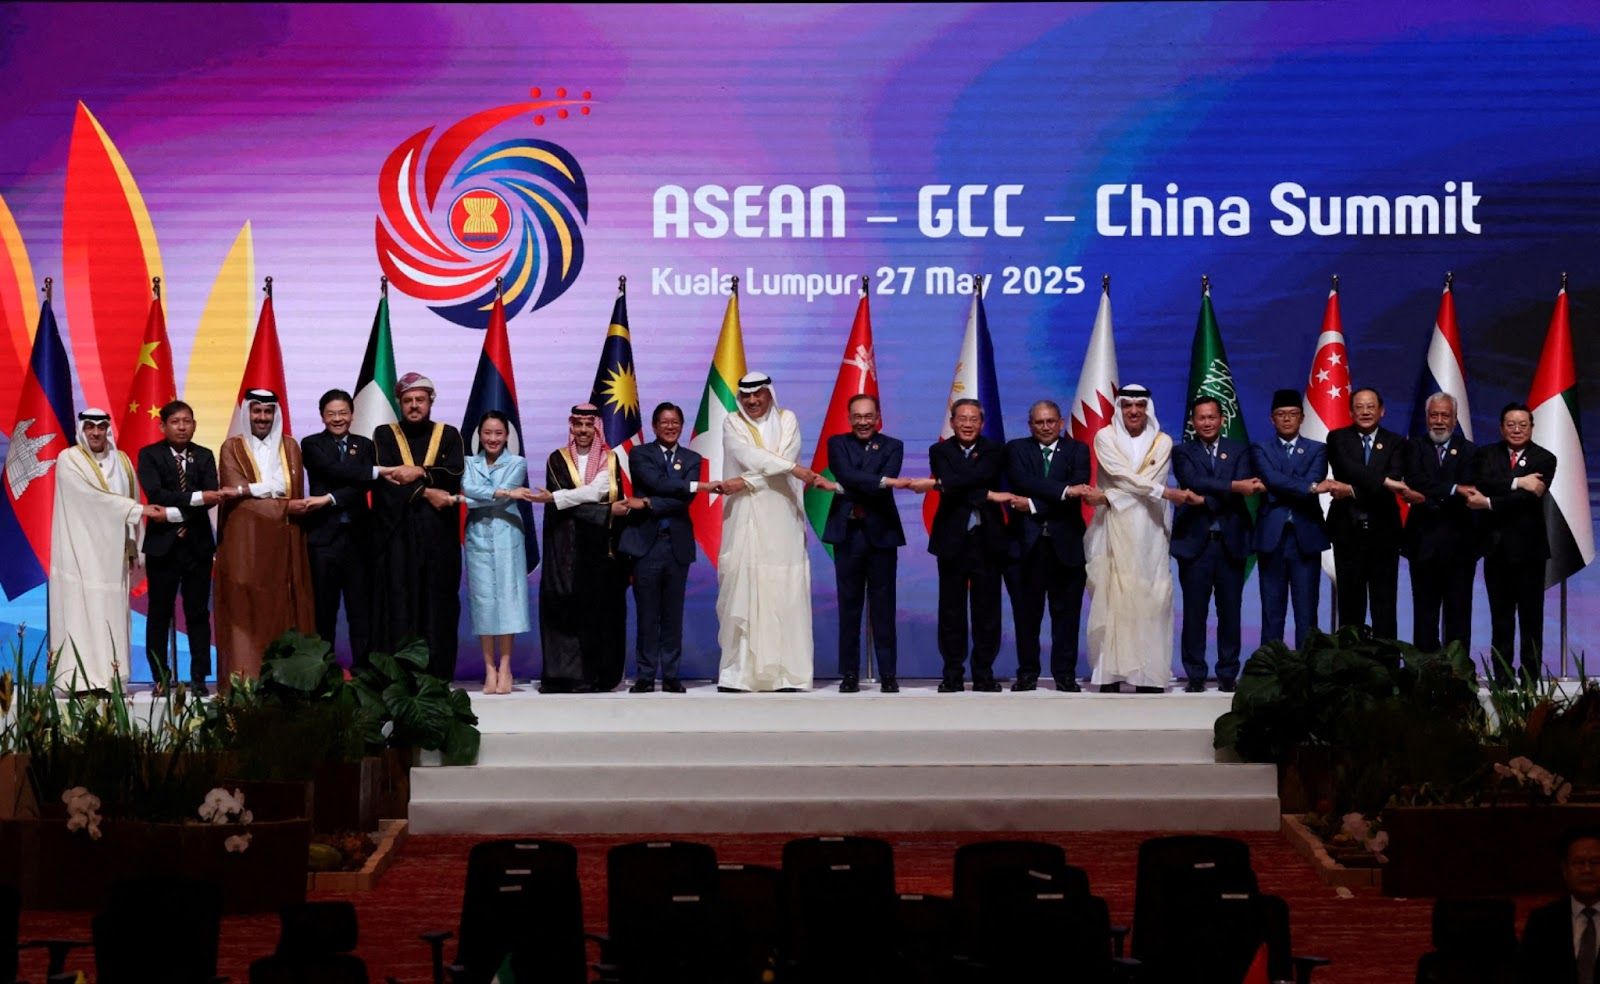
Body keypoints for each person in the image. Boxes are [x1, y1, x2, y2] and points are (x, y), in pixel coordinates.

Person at [716, 372, 832, 692]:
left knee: (785, 590)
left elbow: (781, 458)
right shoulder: (732, 423)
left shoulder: (788, 419)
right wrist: (794, 470)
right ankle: (739, 675)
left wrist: (750, 480)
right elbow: (749, 456)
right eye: (746, 397)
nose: (752, 402)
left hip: (782, 517)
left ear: (770, 394)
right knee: (744, 585)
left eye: (758, 395)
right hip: (745, 517)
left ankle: (788, 675)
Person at [1084, 385, 1191, 693]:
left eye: (1139, 405)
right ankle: (1110, 674)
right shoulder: (1105, 437)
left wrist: (1110, 496)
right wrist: (1164, 492)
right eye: (1127, 405)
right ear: (1120, 407)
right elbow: (1120, 475)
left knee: (1152, 597)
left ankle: (1149, 675)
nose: (1133, 411)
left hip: (1151, 530)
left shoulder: (1163, 441)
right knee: (1113, 595)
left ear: (1147, 408)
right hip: (1114, 526)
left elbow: (1129, 486)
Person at [48, 409, 164, 692]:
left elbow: (131, 498)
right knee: (79, 612)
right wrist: (137, 510)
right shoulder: (69, 459)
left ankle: (110, 679)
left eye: (101, 427)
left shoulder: (122, 460)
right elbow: (90, 499)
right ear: (82, 430)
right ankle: (77, 681)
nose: (96, 433)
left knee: (111, 614)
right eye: (90, 427)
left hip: (112, 557)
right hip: (79, 552)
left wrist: (137, 547)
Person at [214, 389, 318, 684]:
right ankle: (245, 683)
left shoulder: (290, 446)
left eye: (268, 412)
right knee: (245, 613)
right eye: (256, 411)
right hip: (245, 546)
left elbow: (286, 489)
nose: (262, 418)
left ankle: (285, 682)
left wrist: (253, 490)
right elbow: (239, 498)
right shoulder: (231, 448)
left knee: (284, 609)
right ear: (247, 413)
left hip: (284, 545)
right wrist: (278, 500)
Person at [916, 398, 1017, 693]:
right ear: (952, 422)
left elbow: (962, 481)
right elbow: (950, 480)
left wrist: (950, 485)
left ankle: (984, 673)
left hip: (988, 540)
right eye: (962, 418)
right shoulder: (939, 450)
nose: (968, 424)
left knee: (988, 610)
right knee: (951, 610)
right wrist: (986, 494)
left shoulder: (997, 450)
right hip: (952, 540)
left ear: (982, 423)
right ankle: (952, 674)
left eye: (974, 419)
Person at [371, 373, 466, 679]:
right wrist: (427, 489)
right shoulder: (384, 434)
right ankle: (401, 675)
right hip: (398, 534)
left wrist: (417, 471)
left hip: (439, 536)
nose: (414, 406)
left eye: (420, 400)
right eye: (408, 400)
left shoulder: (449, 434)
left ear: (430, 402)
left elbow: (454, 475)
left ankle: (438, 675)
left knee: (439, 604)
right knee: (400, 602)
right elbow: (385, 482)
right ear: (399, 403)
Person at [1170, 396, 1262, 692]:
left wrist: (1205, 499)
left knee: (1230, 611)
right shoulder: (1182, 451)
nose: (1207, 422)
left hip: (1230, 541)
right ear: (1193, 422)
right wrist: (1231, 487)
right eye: (1201, 418)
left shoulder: (1239, 449)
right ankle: (1195, 674)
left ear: (1222, 420)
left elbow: (1239, 487)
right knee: (1194, 612)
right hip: (1195, 544)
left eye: (1212, 417)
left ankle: (1227, 674)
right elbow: (1192, 480)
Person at [1002, 399, 1095, 692]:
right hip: (1025, 547)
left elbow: (1077, 488)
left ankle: (1064, 674)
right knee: (1026, 615)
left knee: (1066, 615)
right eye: (1039, 422)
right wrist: (1065, 491)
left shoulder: (1078, 450)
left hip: (1066, 547)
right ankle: (1027, 673)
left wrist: (1030, 504)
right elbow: (1020, 479)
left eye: (1051, 421)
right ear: (1031, 425)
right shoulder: (1016, 449)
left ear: (1061, 423)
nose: (1045, 427)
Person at [137, 400, 228, 695]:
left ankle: (199, 677)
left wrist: (174, 512)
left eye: (187, 421)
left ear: (194, 425)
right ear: (163, 426)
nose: (182, 426)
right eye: (175, 421)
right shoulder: (149, 455)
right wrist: (195, 499)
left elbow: (212, 495)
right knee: (159, 614)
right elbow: (156, 493)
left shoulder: (204, 455)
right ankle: (161, 678)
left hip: (198, 546)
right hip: (162, 547)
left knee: (198, 613)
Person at [617, 402, 707, 694]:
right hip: (646, 545)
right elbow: (653, 481)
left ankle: (671, 674)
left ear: (681, 426)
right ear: (655, 427)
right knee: (647, 613)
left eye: (675, 422)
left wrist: (648, 502)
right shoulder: (640, 453)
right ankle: (645, 675)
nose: (670, 427)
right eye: (664, 422)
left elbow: (684, 500)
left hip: (677, 546)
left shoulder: (693, 457)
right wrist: (688, 486)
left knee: (672, 614)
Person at [537, 403, 627, 693]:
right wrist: (603, 510)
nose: (584, 431)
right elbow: (589, 501)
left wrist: (557, 498)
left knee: (598, 612)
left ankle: (598, 676)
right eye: (579, 425)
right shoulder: (557, 459)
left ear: (597, 427)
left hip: (601, 548)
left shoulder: (610, 459)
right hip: (565, 544)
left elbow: (598, 491)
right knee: (562, 607)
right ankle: (565, 677)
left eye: (589, 425)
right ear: (571, 427)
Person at [1467, 402, 1556, 683]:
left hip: (1529, 552)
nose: (1516, 429)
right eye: (1511, 424)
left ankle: (1530, 677)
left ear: (1531, 427)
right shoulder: (1485, 454)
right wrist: (1519, 482)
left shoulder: (1545, 458)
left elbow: (1528, 499)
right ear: (1501, 427)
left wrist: (1489, 502)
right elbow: (1482, 481)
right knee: (1501, 619)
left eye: (1522, 425)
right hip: (1496, 550)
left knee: (1531, 619)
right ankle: (1502, 677)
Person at [822, 394, 905, 693]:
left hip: (881, 534)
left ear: (878, 416)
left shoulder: (894, 445)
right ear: (849, 417)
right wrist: (880, 481)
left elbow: (885, 477)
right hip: (848, 534)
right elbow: (845, 473)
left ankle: (888, 675)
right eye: (857, 416)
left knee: (884, 607)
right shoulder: (836, 443)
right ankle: (849, 675)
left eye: (868, 416)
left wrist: (855, 485)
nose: (863, 422)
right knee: (849, 608)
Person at [1323, 387, 1416, 639]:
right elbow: (1346, 468)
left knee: (1384, 605)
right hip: (1346, 532)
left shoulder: (1397, 442)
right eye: (1359, 407)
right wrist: (1383, 482)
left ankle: (1386, 668)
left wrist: (1352, 490)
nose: (1365, 412)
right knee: (1350, 606)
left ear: (1382, 411)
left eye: (1371, 406)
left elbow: (1395, 477)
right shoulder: (1337, 438)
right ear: (1351, 412)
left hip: (1384, 532)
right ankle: (1351, 669)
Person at [1250, 389, 1332, 650]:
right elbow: (1271, 478)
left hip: (1305, 537)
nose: (1287, 419)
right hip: (1272, 538)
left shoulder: (1318, 449)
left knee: (1306, 612)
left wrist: (1279, 487)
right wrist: (1306, 487)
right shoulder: (1260, 448)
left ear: (1302, 417)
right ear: (1272, 419)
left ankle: (1306, 671)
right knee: (1272, 612)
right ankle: (1271, 671)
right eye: (1281, 415)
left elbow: (1315, 475)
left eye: (1292, 414)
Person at [301, 388, 376, 666]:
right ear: (322, 416)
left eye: (343, 413)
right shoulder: (311, 444)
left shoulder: (365, 445)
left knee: (361, 610)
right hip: (323, 540)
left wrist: (330, 498)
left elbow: (363, 485)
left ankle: (364, 671)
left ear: (352, 415)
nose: (338, 418)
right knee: (324, 611)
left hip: (359, 540)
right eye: (331, 413)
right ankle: (323, 672)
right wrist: (367, 474)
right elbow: (334, 471)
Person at [462, 410, 534, 695]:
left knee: (507, 601)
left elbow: (477, 495)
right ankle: (488, 669)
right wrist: (502, 493)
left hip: (507, 536)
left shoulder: (518, 462)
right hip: (478, 538)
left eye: (498, 433)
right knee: (483, 603)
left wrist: (486, 493)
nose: (493, 438)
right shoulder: (468, 463)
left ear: (507, 436)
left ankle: (505, 667)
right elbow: (469, 493)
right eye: (487, 433)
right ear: (479, 434)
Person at [1402, 392, 1480, 653]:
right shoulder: (1413, 447)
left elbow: (1469, 486)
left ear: (1455, 419)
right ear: (1426, 418)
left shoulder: (1469, 450)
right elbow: (1414, 480)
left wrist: (1429, 497)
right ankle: (1424, 673)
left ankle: (1458, 674)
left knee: (1459, 613)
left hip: (1460, 545)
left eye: (1444, 415)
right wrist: (1454, 489)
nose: (1438, 421)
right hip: (1422, 544)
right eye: (1434, 415)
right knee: (1424, 614)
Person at [1519, 825, 1600, 984]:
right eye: (1578, 862)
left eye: (1596, 862)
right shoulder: (1542, 921)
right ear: (1564, 870)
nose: (1587, 869)